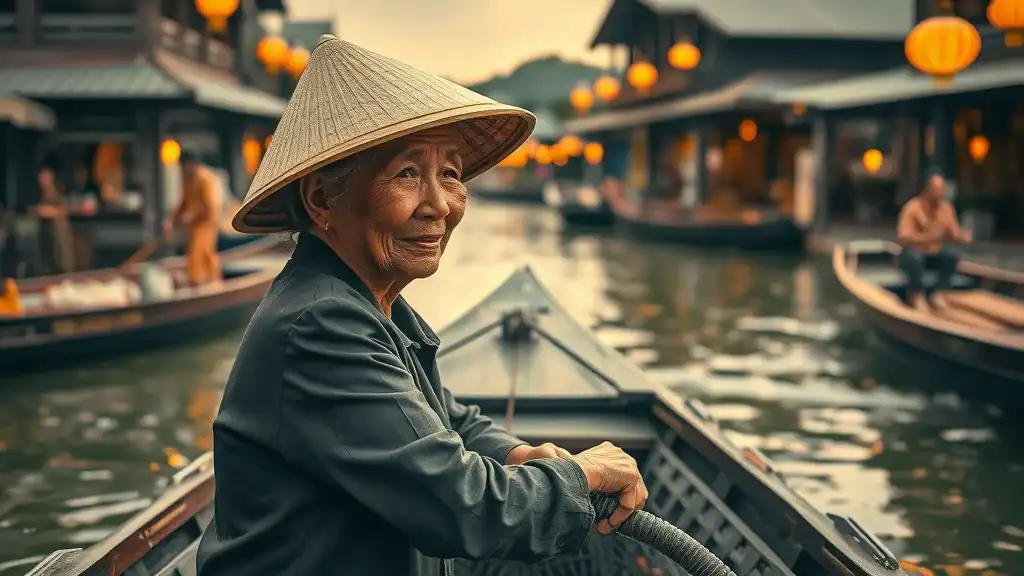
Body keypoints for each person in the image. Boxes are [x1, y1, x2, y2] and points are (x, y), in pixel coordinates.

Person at [196, 35, 648, 576]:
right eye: (408, 174)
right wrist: (582, 476)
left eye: (451, 175)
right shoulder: (320, 323)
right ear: (322, 201)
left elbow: (445, 420)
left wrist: (516, 454)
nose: (439, 206)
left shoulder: (373, 307)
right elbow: (466, 507)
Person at [896, 170, 973, 311]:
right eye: (937, 189)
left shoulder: (946, 208)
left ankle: (938, 292)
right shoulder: (912, 208)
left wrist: (962, 236)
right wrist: (927, 238)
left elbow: (953, 234)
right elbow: (903, 238)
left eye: (942, 189)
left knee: (951, 257)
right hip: (913, 254)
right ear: (927, 190)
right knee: (914, 258)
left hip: (933, 253)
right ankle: (916, 295)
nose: (941, 192)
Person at [164, 151, 222, 286]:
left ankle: (211, 281)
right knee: (194, 254)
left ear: (190, 165)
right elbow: (184, 202)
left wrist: (191, 214)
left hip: (207, 222)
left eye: (184, 166)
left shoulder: (205, 178)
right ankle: (198, 282)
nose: (182, 170)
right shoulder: (187, 179)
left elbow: (209, 205)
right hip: (193, 224)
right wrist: (172, 221)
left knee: (203, 252)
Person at [35, 160, 75, 275]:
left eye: (46, 177)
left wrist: (49, 212)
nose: (43, 180)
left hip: (59, 244)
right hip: (46, 244)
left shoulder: (58, 195)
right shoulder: (39, 197)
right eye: (41, 177)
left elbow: (62, 210)